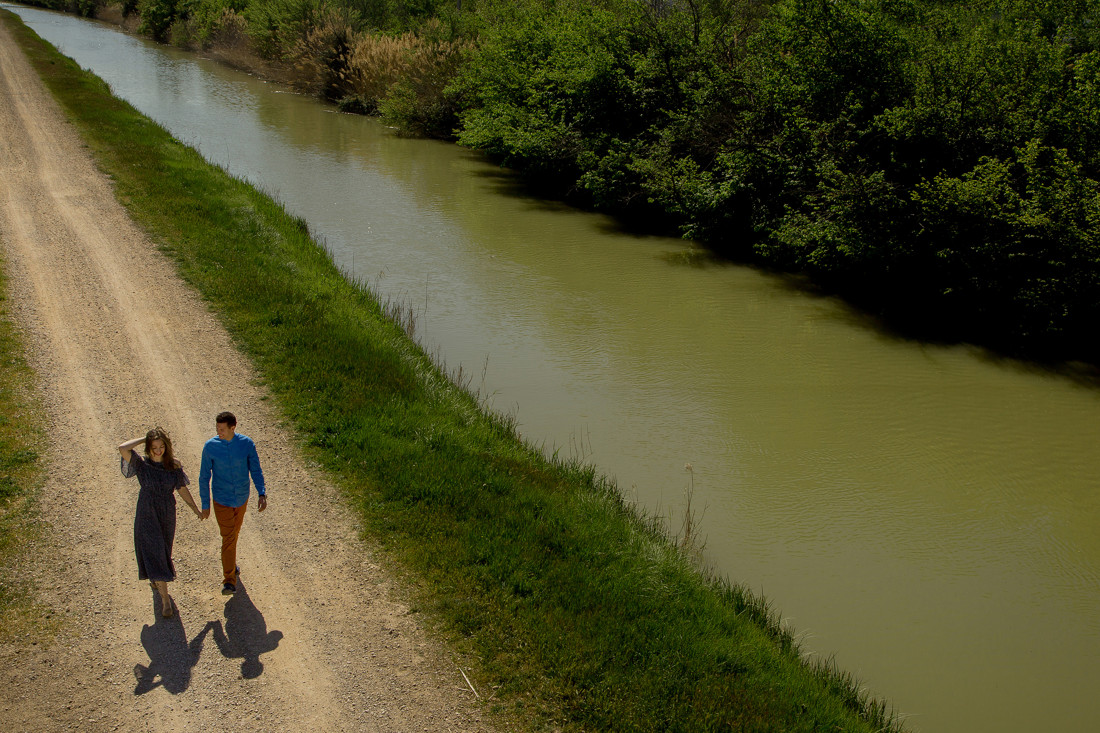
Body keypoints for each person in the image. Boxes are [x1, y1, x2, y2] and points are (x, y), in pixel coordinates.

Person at [119, 427, 202, 618]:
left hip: (166, 514)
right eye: (154, 447)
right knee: (154, 550)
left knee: (163, 551)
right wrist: (145, 438)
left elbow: (182, 489)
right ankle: (165, 601)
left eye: (161, 446)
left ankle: (156, 579)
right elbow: (123, 448)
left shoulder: (173, 466)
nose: (158, 450)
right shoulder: (141, 465)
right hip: (146, 513)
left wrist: (195, 509)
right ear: (148, 448)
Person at [199, 411, 267, 595]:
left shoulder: (246, 444)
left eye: (222, 429)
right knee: (228, 537)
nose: (218, 432)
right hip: (222, 500)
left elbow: (256, 469)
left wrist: (262, 493)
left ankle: (231, 563)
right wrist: (205, 504)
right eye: (217, 428)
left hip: (241, 498)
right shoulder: (210, 447)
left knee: (234, 534)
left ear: (233, 428)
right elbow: (204, 477)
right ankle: (229, 580)